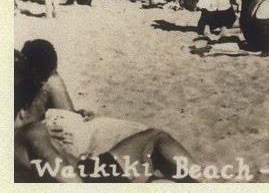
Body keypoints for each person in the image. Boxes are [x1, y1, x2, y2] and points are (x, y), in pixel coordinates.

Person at [14, 40, 200, 183]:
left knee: (151, 146)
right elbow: (70, 180)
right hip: (94, 176)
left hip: (91, 169)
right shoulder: (33, 132)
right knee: (156, 137)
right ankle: (204, 182)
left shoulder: (26, 133)